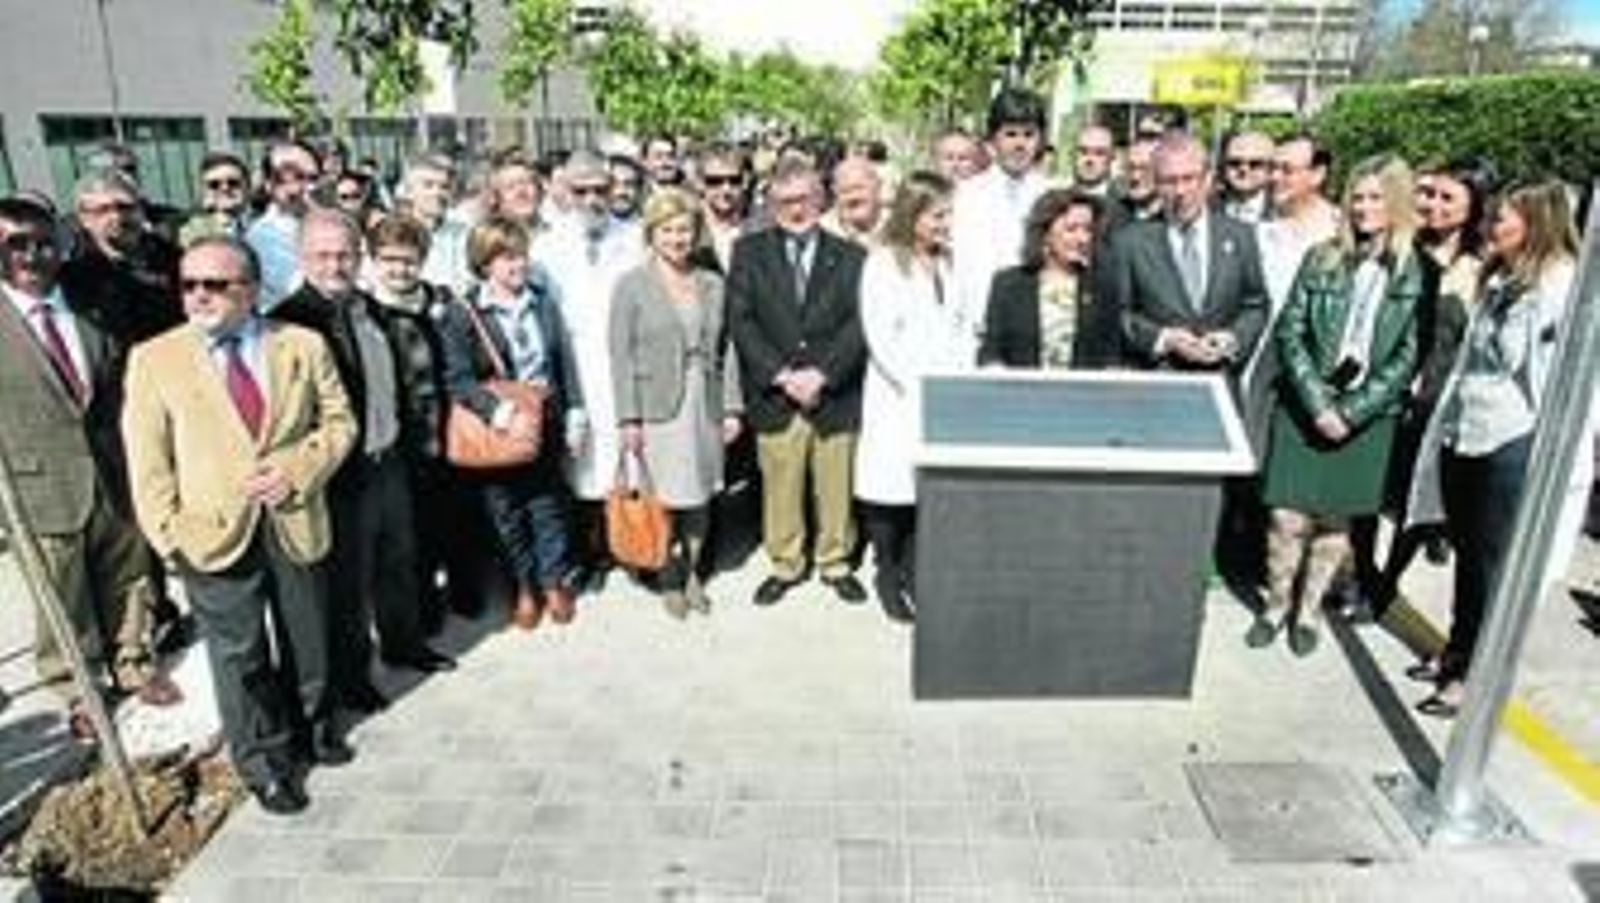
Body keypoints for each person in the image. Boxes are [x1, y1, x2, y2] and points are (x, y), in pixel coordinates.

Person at [122, 236, 357, 814]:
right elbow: (147, 462)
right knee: (240, 656)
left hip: (293, 516)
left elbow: (340, 422)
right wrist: (170, 535)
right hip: (211, 533)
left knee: (308, 637)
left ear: (250, 290)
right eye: (189, 285)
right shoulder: (155, 358)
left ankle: (315, 729)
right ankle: (264, 764)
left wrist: (297, 470)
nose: (198, 295)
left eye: (215, 285)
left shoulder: (300, 345)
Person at [1405, 181, 1592, 717]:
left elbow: (1562, 384)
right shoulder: (1502, 279)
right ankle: (1458, 650)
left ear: (1537, 223)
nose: (1491, 226)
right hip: (1467, 433)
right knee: (1469, 558)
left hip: (1511, 444)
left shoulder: (1558, 288)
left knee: (1493, 566)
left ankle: (1474, 675)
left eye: (1503, 218)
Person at [0, 196, 179, 731]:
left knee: (129, 578)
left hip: (112, 470)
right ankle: (79, 686)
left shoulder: (92, 303)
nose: (32, 255)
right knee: (63, 595)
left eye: (42, 242)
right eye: (15, 245)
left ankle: (134, 662)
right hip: (40, 485)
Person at [273, 210, 455, 718]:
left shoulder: (370, 309)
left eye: (345, 254)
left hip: (388, 457)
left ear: (360, 256)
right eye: (323, 255)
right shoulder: (291, 320)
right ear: (302, 257)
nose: (336, 265)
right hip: (340, 475)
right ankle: (354, 677)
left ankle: (404, 644)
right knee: (349, 583)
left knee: (398, 560)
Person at [1251, 154, 1428, 656]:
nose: (1362, 207)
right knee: (1286, 517)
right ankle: (1276, 604)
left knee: (1336, 521)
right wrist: (1317, 401)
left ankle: (1309, 612)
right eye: (1357, 196)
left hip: (1367, 417)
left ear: (1395, 204)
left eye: (1375, 198)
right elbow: (1291, 331)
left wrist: (1351, 412)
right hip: (1308, 406)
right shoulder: (1322, 257)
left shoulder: (1417, 273)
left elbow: (1408, 355)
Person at [1350, 158, 1495, 621]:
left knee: (1417, 499)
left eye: (1447, 197)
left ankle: (1386, 583)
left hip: (1439, 401)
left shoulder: (1483, 268)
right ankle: (1364, 574)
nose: (1432, 204)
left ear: (1473, 209)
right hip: (1384, 392)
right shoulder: (1398, 249)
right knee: (1369, 494)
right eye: (1428, 194)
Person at [728, 158, 869, 607]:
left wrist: (824, 373)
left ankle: (835, 562)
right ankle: (787, 563)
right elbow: (742, 321)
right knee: (781, 486)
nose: (796, 209)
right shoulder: (748, 252)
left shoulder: (852, 257)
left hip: (835, 393)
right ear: (770, 205)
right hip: (778, 394)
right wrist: (784, 375)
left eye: (805, 199)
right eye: (785, 201)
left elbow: (860, 323)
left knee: (835, 485)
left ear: (821, 199)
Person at [439, 216, 585, 631]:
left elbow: (562, 359)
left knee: (549, 505)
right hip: (499, 429)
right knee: (507, 512)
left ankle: (553, 580)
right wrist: (499, 413)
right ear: (484, 263)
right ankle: (524, 586)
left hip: (546, 418)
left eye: (520, 255)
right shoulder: (464, 312)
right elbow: (458, 378)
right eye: (504, 257)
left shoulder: (542, 301)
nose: (516, 264)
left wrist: (575, 410)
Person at [609, 188, 744, 618]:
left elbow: (729, 349)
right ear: (652, 234)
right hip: (656, 407)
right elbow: (620, 355)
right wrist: (628, 417)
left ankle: (694, 575)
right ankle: (669, 574)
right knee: (663, 496)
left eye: (684, 229)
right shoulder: (630, 286)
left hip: (702, 403)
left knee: (700, 496)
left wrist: (731, 407)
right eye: (667, 230)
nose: (677, 238)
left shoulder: (712, 283)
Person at [853, 172, 969, 624]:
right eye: (938, 215)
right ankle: (887, 571)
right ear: (913, 214)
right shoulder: (884, 263)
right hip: (898, 396)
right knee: (889, 488)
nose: (945, 223)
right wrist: (917, 384)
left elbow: (962, 325)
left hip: (944, 395)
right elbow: (880, 336)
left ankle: (916, 568)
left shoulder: (951, 262)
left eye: (948, 214)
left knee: (927, 488)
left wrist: (957, 381)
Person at [365, 213, 486, 625]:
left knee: (458, 516)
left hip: (448, 428)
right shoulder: (366, 311)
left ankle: (464, 587)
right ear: (375, 261)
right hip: (400, 437)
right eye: (389, 259)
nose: (400, 269)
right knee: (411, 529)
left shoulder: (443, 302)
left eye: (409, 259)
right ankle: (424, 601)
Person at [541, 150, 642, 591]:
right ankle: (591, 552)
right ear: (565, 191)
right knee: (579, 462)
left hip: (624, 365)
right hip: (574, 366)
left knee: (627, 459)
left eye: (601, 190)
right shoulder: (546, 245)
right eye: (582, 191)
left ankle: (633, 548)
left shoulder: (636, 238)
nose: (593, 199)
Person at [1106, 132, 1267, 374]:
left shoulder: (1240, 236)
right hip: (1159, 385)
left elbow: (1256, 305)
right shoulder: (1130, 242)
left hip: (1220, 381)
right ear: (1156, 183)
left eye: (1188, 179)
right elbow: (1117, 313)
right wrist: (1163, 338)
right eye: (1169, 181)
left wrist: (1232, 338)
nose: (1180, 191)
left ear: (1208, 179)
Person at [951, 88, 1055, 360]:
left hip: (1037, 337)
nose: (1020, 144)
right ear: (992, 139)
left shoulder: (1054, 197)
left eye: (1029, 134)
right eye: (1010, 134)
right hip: (973, 334)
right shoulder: (964, 196)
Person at [979, 189, 1113, 369]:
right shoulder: (1008, 284)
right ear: (1045, 232)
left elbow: (1112, 357)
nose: (1082, 239)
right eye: (1071, 229)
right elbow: (990, 351)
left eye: (1088, 229)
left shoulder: (1102, 287)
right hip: (1020, 394)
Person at [61, 168, 184, 347]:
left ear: (141, 209)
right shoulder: (72, 275)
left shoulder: (176, 260)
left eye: (125, 207)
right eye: (103, 210)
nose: (117, 217)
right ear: (84, 218)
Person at [246, 140, 320, 309]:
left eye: (313, 178)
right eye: (295, 177)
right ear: (269, 185)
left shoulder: (335, 223)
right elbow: (299, 289)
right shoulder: (263, 236)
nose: (309, 187)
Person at [396, 151, 473, 295]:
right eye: (428, 185)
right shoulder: (391, 235)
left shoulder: (467, 234)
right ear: (408, 192)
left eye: (444, 186)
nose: (437, 193)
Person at [180, 151, 254, 246]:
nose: (224, 188)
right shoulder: (192, 231)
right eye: (214, 185)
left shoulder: (266, 223)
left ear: (248, 186)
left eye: (233, 182)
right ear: (203, 192)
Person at [822, 156, 885, 248]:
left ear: (878, 187)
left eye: (859, 188)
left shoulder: (903, 228)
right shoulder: (823, 233)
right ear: (835, 194)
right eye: (845, 191)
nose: (854, 197)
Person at [1218, 131, 1277, 224]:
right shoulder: (1204, 208)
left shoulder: (1283, 212)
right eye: (1235, 163)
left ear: (1271, 169)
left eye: (1255, 164)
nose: (1243, 169)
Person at [1069, 124, 1117, 199]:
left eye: (1099, 153)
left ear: (1111, 157)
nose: (1089, 159)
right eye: (1083, 151)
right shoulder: (1055, 203)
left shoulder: (1126, 206)